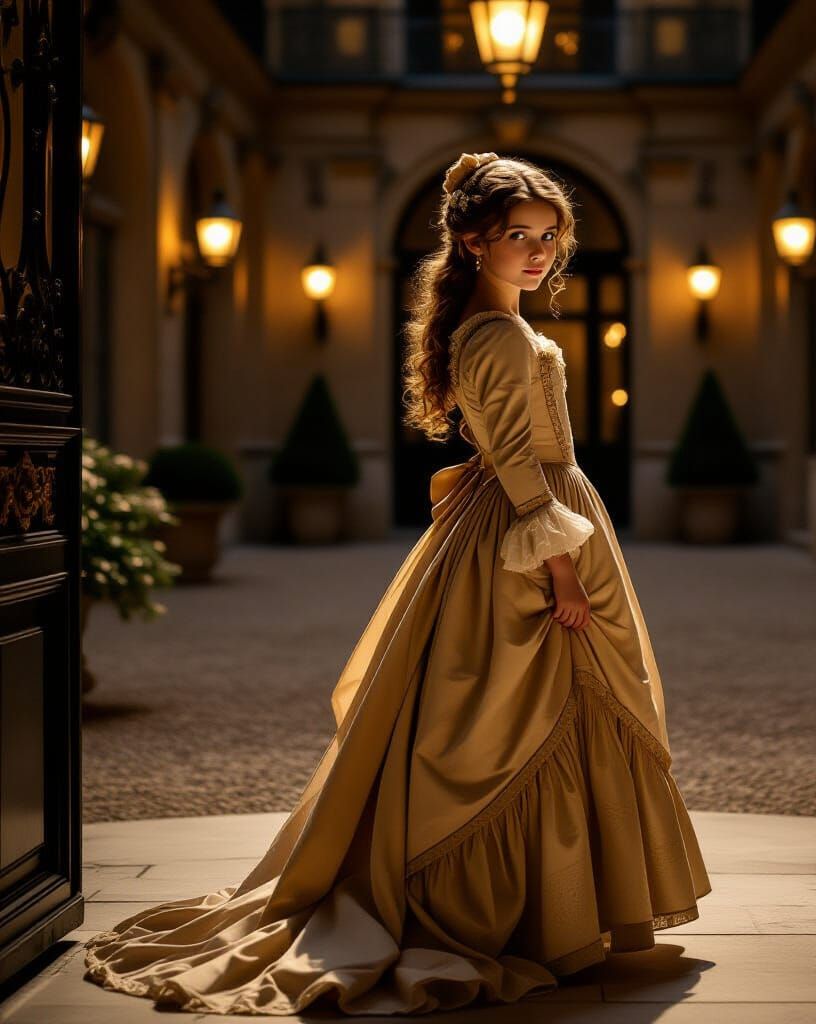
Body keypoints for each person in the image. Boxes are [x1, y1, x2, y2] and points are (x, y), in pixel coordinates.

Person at [81, 151, 711, 1016]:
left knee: (568, 706)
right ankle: (511, 911)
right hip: (533, 531)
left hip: (544, 517)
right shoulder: (494, 333)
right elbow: (517, 459)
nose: (535, 252)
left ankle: (561, 908)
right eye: (517, 236)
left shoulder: (501, 325)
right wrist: (563, 568)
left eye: (547, 238)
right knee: (518, 711)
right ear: (472, 240)